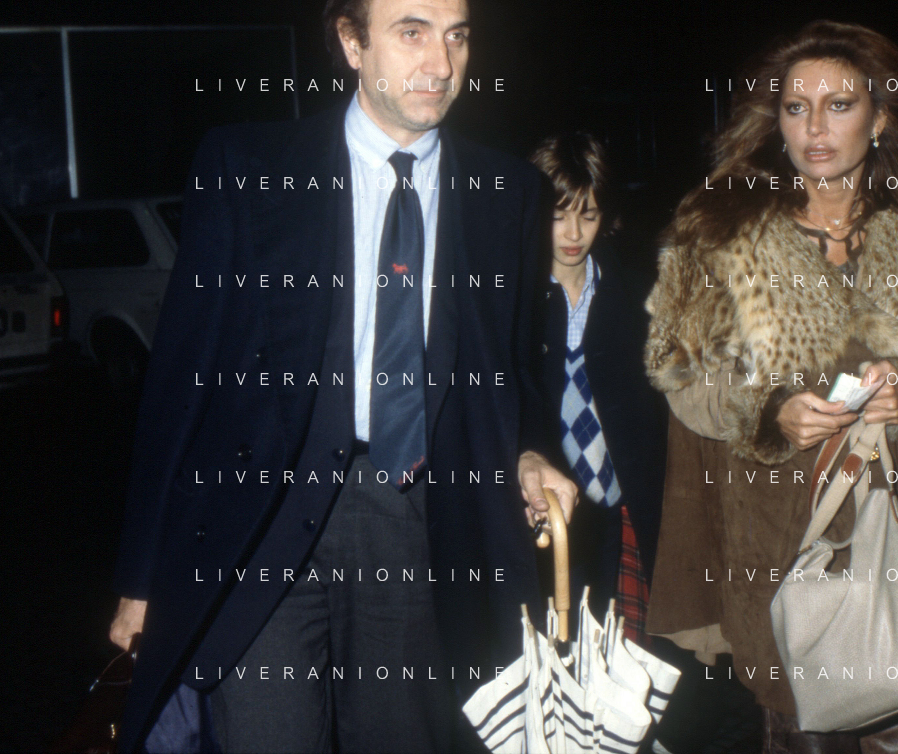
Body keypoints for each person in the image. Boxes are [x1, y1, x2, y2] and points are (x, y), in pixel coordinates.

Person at [106, 0, 578, 750]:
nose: (440, 63)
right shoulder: (249, 168)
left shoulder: (508, 194)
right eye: (411, 33)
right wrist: (142, 577)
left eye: (456, 37)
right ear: (352, 43)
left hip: (418, 522)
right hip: (259, 521)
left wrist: (528, 450)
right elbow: (181, 378)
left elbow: (514, 367)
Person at [641, 20, 898, 754]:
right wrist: (767, 411)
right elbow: (681, 374)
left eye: (839, 105)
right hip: (773, 521)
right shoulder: (721, 229)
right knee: (798, 726)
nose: (814, 128)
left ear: (879, 116)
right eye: (796, 108)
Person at [528, 133, 668, 643]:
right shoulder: (511, 295)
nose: (573, 233)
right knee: (551, 647)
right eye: (557, 216)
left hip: (622, 506)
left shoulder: (633, 289)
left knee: (624, 653)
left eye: (588, 216)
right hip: (546, 515)